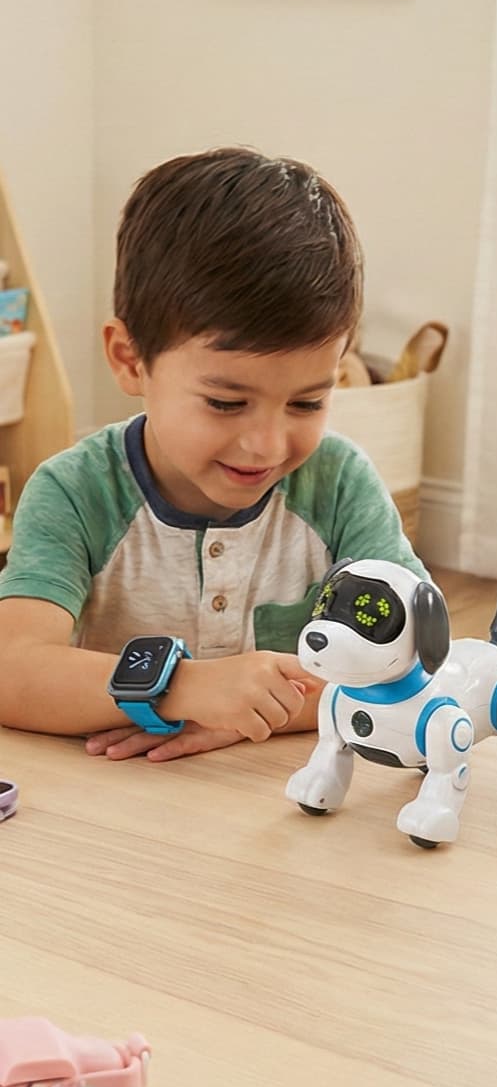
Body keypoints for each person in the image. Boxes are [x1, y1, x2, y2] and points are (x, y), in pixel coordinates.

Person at [0, 147, 425, 762]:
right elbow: (12, 670)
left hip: (282, 792)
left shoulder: (339, 486)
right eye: (226, 403)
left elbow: (419, 661)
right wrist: (181, 688)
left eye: (307, 402)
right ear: (129, 359)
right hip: (120, 800)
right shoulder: (75, 492)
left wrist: (258, 712)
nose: (267, 445)